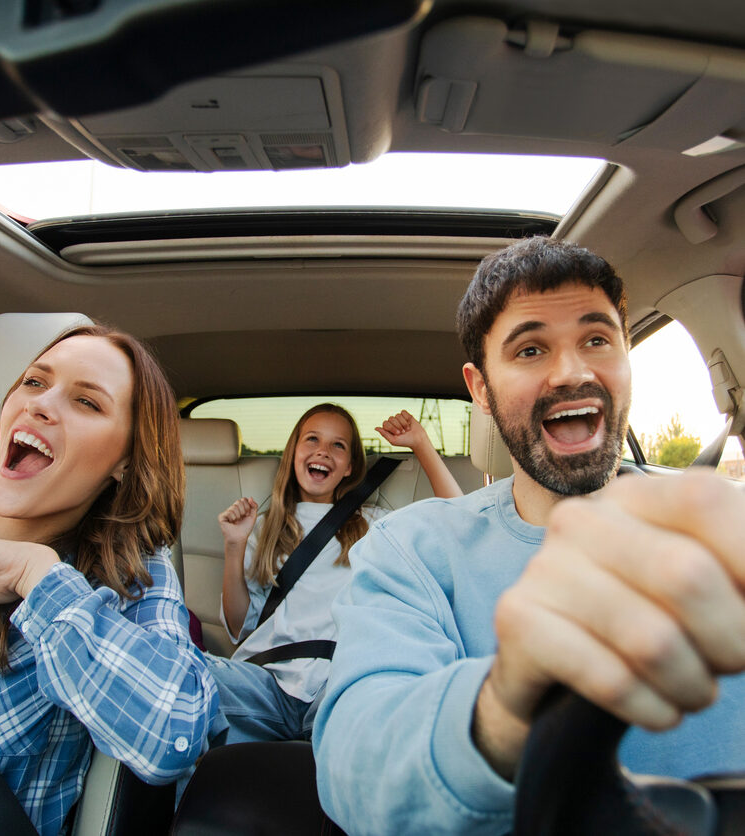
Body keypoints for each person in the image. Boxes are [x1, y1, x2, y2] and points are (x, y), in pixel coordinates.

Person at [313, 236, 745, 834]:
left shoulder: (722, 525)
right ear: (481, 388)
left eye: (597, 339)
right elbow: (354, 763)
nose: (572, 371)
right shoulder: (410, 550)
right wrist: (504, 704)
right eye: (531, 348)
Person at [0, 324, 218, 834]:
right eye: (34, 382)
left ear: (123, 461)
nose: (41, 404)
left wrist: (30, 572)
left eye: (87, 402)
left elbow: (174, 733)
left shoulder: (124, 575)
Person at [207, 403, 462, 745]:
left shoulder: (375, 523)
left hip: (341, 678)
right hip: (264, 680)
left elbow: (460, 523)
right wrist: (235, 545)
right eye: (311, 439)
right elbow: (239, 628)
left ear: (349, 468)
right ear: (293, 453)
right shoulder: (263, 527)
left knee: (385, 707)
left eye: (338, 445)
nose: (323, 451)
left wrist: (421, 444)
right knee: (191, 681)